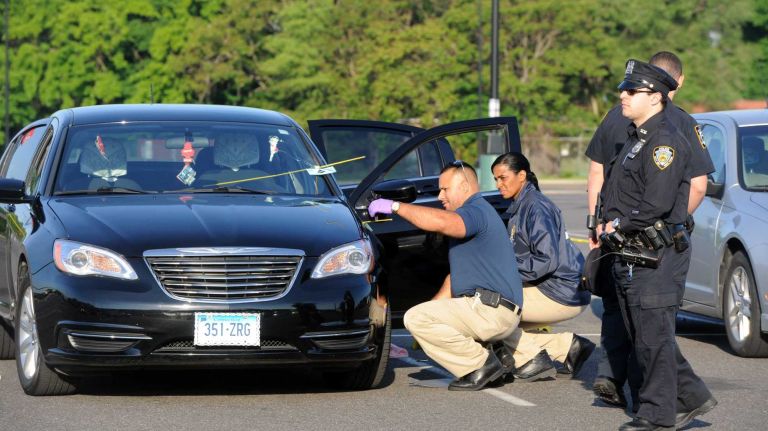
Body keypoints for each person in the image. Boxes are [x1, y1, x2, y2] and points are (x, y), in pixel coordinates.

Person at [585, 51, 714, 410]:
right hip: (644, 242)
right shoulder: (677, 123)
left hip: (625, 238)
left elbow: (597, 175)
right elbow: (698, 187)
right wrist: (665, 227)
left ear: (655, 90)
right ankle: (657, 400)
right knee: (649, 326)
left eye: (630, 90)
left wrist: (598, 225)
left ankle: (625, 384)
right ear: (679, 82)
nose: (623, 97)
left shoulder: (625, 121)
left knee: (627, 315)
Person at [367, 161, 524, 391]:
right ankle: (497, 357)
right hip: (496, 310)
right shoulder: (478, 212)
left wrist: (394, 206)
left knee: (414, 317)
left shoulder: (475, 210)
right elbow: (453, 280)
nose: (440, 196)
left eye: (445, 189)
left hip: (490, 311)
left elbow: (442, 222)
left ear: (465, 186)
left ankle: (481, 364)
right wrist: (428, 324)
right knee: (422, 317)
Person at [490, 152, 595, 382]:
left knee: (492, 311)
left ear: (522, 175)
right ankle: (568, 346)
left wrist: (503, 273)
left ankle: (532, 357)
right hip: (552, 286)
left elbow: (545, 260)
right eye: (496, 179)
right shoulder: (520, 205)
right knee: (496, 314)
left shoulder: (535, 207)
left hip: (561, 291)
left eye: (503, 178)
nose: (498, 184)